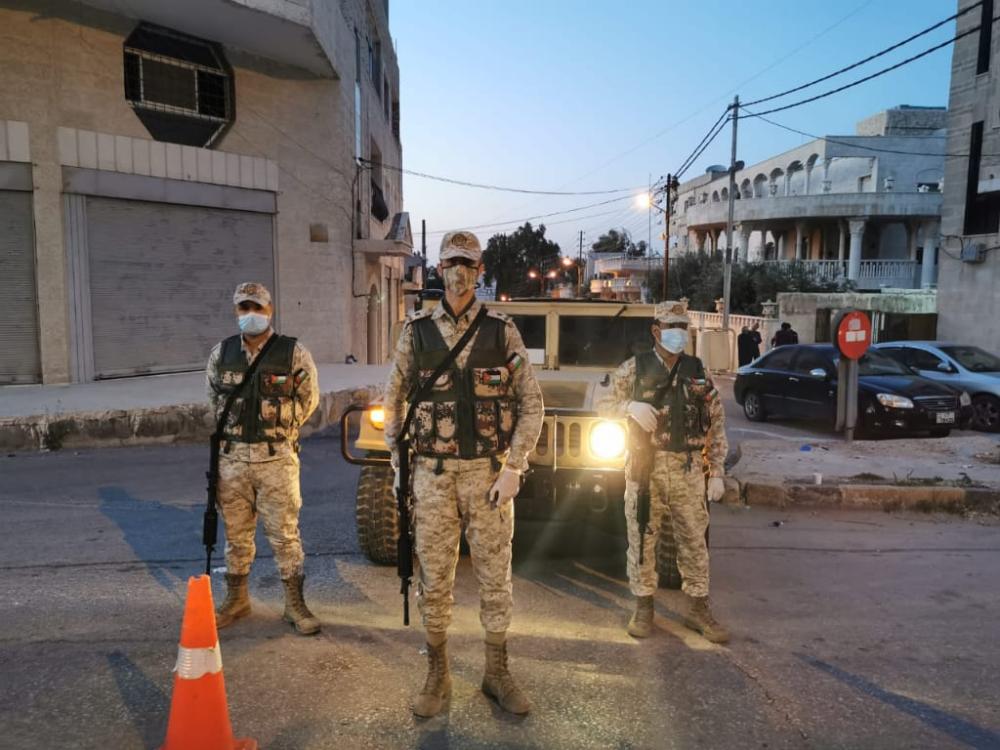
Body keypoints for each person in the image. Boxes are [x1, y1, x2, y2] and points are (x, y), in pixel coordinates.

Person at [384, 230, 544, 718]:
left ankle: (497, 672)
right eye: (452, 262)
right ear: (440, 270)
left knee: (495, 577)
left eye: (468, 263)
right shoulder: (416, 332)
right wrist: (398, 464)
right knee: (434, 578)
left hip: (488, 477)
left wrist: (515, 465)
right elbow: (393, 400)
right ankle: (438, 672)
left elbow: (531, 403)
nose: (459, 271)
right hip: (432, 477)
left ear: (480, 271)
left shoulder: (501, 331)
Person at [599, 299, 731, 643]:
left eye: (683, 327)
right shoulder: (634, 368)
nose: (679, 334)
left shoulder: (697, 370)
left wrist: (717, 471)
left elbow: (716, 422)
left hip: (688, 468)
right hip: (646, 468)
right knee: (642, 539)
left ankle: (698, 610)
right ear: (656, 331)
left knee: (694, 540)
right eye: (673, 327)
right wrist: (630, 406)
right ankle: (644, 607)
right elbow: (602, 404)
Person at [205, 282, 321, 636]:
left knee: (285, 535)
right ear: (236, 311)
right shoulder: (222, 353)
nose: (251, 314)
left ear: (270, 311)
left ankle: (295, 604)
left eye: (257, 307)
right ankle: (237, 599)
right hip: (232, 461)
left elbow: (309, 400)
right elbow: (213, 399)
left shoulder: (293, 353)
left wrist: (279, 429)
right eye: (244, 308)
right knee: (236, 535)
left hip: (275, 461)